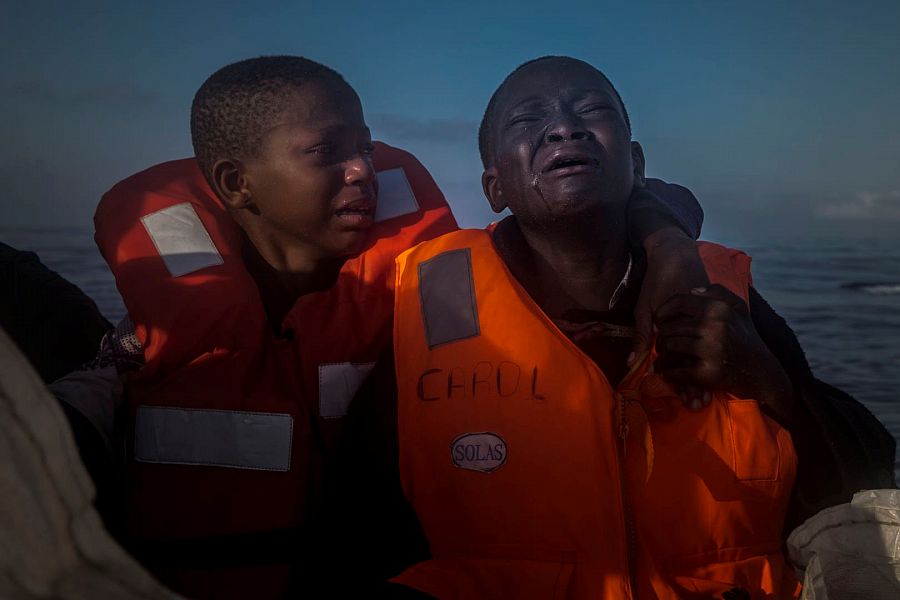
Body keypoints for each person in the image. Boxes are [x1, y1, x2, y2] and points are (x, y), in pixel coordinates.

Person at [75, 56, 705, 600]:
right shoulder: (139, 348)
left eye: (366, 149)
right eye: (327, 152)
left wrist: (669, 244)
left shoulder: (424, 297)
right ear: (238, 184)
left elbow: (590, 220)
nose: (361, 171)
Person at [343, 56, 897, 599]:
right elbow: (358, 528)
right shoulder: (430, 310)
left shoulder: (725, 293)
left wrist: (769, 380)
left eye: (591, 110)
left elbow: (864, 475)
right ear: (495, 188)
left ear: (635, 162)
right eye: (527, 120)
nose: (564, 127)